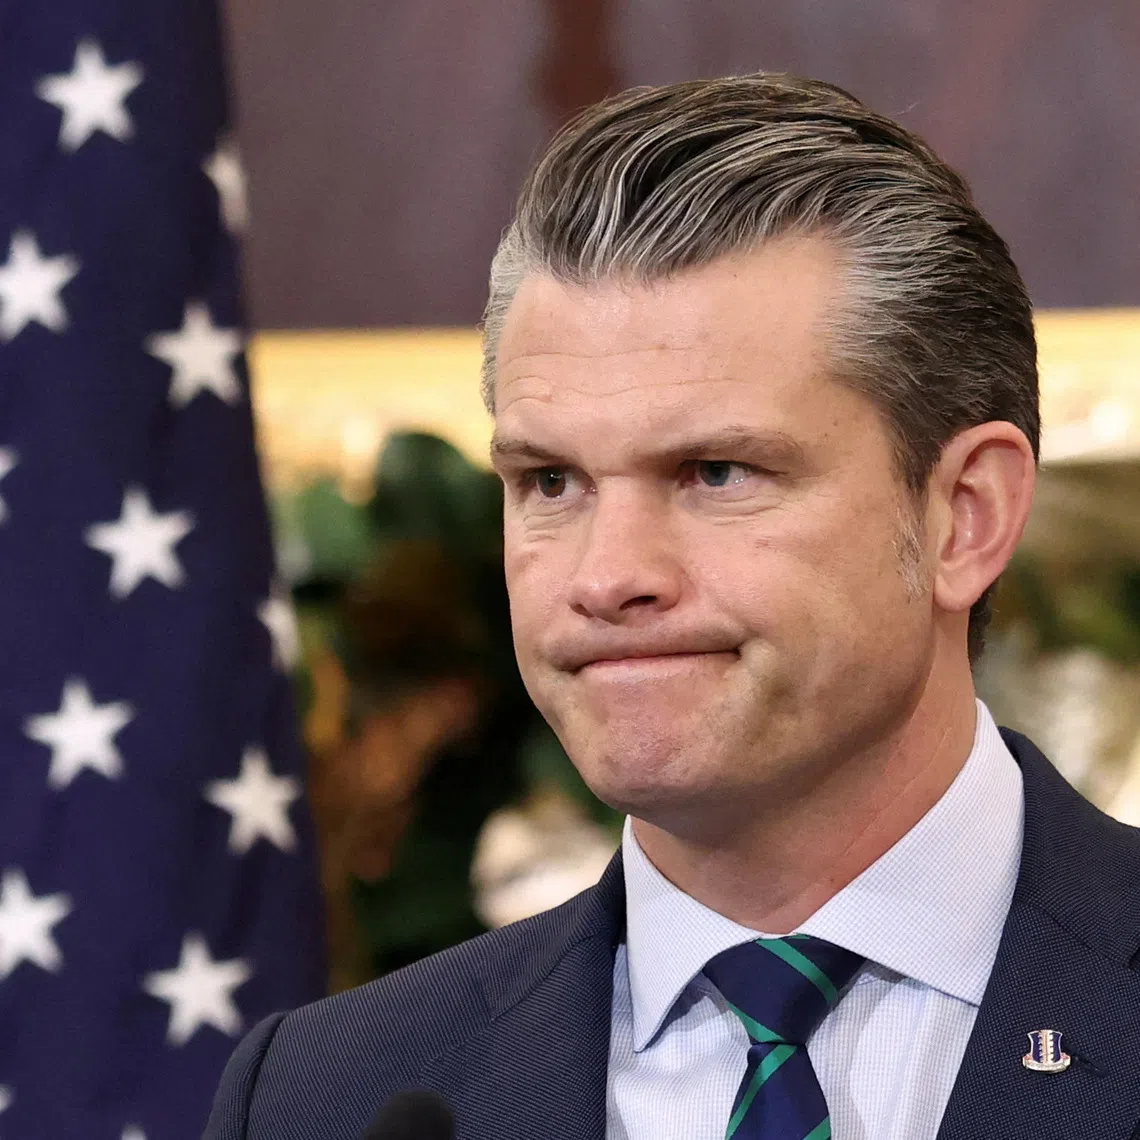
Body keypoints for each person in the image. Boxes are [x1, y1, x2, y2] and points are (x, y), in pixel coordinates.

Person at [204, 73, 1140, 1140]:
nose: (607, 577)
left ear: (964, 517)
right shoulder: (321, 1098)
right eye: (551, 482)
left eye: (717, 472)